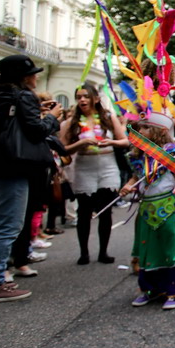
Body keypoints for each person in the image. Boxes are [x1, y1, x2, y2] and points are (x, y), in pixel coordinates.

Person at [0, 54, 61, 303]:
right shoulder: (23, 96)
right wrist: (51, 118)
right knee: (7, 227)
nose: (36, 77)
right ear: (24, 76)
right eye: (33, 73)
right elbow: (36, 131)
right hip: (13, 168)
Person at [119, 113, 175, 310]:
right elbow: (136, 177)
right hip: (147, 207)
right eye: (139, 128)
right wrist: (128, 186)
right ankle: (150, 289)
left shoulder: (172, 153)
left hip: (168, 206)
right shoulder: (137, 156)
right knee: (147, 248)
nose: (140, 131)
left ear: (159, 131)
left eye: (145, 128)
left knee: (169, 247)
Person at [60, 82, 129, 265]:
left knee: (105, 211)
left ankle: (103, 252)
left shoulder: (107, 117)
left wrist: (110, 142)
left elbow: (124, 141)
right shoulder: (70, 123)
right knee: (84, 211)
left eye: (86, 96)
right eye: (79, 97)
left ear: (95, 99)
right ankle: (84, 253)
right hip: (84, 166)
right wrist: (80, 144)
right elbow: (62, 149)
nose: (82, 100)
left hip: (107, 166)